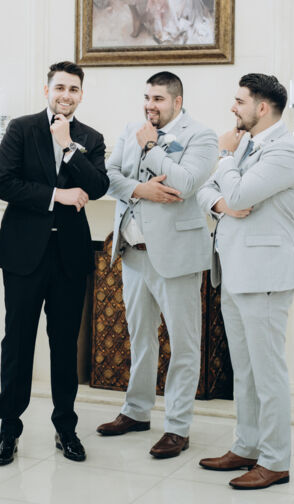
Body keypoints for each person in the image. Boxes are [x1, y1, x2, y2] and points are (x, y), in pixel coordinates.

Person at [0, 61, 109, 466]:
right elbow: (5, 183)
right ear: (47, 90)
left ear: (81, 94)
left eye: (73, 89)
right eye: (60, 87)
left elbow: (98, 186)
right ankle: (8, 429)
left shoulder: (90, 138)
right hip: (23, 254)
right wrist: (58, 196)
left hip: (70, 257)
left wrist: (68, 147)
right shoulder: (21, 129)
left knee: (64, 344)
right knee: (18, 343)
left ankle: (66, 428)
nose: (66, 95)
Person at [97, 71, 217, 459]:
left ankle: (177, 426)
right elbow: (108, 176)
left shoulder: (202, 136)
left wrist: (151, 148)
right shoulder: (130, 129)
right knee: (140, 337)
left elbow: (186, 184)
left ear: (177, 102)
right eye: (147, 98)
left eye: (159, 99)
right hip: (133, 253)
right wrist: (140, 189)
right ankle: (136, 411)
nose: (150, 106)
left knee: (184, 344)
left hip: (177, 256)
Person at [197, 73, 294, 490]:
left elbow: (240, 194)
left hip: (265, 276)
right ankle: (246, 446)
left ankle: (275, 461)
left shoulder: (286, 152)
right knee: (243, 370)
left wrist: (226, 158)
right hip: (235, 271)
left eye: (239, 101)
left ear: (262, 108)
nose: (233, 107)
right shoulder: (247, 145)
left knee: (268, 372)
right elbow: (209, 191)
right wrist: (224, 202)